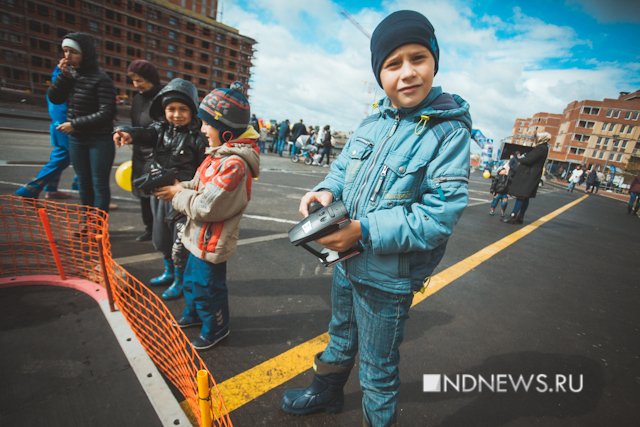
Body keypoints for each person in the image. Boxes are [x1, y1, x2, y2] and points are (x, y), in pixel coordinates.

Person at [280, 10, 472, 426]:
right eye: (392, 64)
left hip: (388, 278)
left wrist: (362, 231)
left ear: (434, 61)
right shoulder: (372, 122)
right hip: (348, 263)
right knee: (340, 335)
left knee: (378, 369)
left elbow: (438, 216)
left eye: (417, 58)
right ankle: (326, 392)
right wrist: (325, 192)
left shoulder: (449, 132)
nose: (407, 73)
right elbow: (340, 172)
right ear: (379, 74)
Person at [154, 82, 260, 350]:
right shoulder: (216, 156)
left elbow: (207, 207)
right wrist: (179, 186)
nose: (202, 130)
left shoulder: (234, 165)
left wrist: (175, 196)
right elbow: (198, 184)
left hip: (211, 242)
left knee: (208, 288)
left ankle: (216, 327)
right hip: (196, 237)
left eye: (206, 124)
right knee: (191, 282)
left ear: (225, 130)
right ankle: (194, 314)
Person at [114, 78, 207, 300]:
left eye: (183, 109)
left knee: (179, 243)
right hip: (159, 195)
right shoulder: (159, 129)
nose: (176, 114)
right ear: (163, 110)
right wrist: (126, 132)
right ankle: (169, 271)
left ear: (192, 110)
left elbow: (204, 171)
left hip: (181, 199)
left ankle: (180, 280)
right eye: (171, 109)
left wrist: (188, 192)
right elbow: (142, 133)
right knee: (161, 238)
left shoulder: (197, 137)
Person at [48, 32, 117, 213]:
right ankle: (87, 223)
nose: (67, 56)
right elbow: (55, 98)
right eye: (65, 51)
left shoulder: (101, 78)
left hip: (99, 140)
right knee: (84, 184)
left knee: (98, 184)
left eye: (73, 52)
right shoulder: (71, 76)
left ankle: (98, 227)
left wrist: (75, 124)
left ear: (85, 53)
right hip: (77, 140)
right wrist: (63, 77)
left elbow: (107, 112)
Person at [15, 66, 76, 200]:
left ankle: (51, 189)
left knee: (61, 159)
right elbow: (59, 110)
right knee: (74, 158)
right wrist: (67, 125)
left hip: (59, 126)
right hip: (64, 127)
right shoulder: (63, 85)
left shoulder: (58, 83)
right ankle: (31, 188)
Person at [127, 60, 164, 241]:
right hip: (139, 151)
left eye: (140, 80)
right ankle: (149, 228)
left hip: (157, 152)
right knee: (142, 191)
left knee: (157, 195)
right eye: (133, 80)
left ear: (151, 78)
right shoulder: (137, 99)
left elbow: (160, 127)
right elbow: (135, 124)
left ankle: (160, 230)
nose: (136, 85)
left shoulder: (162, 97)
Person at [503, 132, 550, 224]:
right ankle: (520, 217)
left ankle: (513, 216)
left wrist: (518, 158)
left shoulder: (541, 148)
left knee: (521, 196)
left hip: (528, 176)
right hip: (532, 175)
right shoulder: (544, 148)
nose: (536, 138)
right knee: (525, 197)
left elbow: (529, 160)